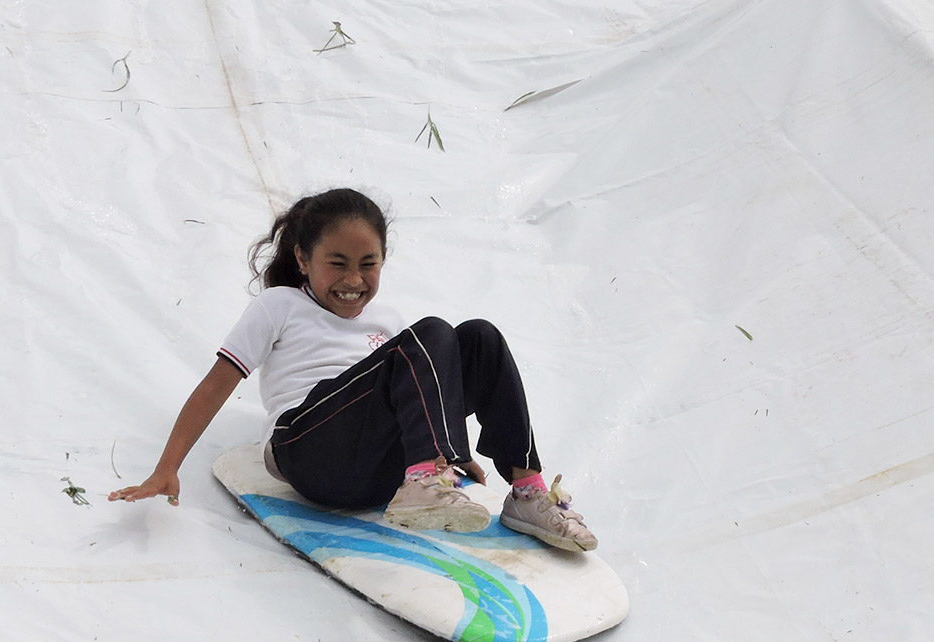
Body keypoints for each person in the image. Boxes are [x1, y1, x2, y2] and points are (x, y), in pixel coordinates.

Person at [109, 188, 596, 551]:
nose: (353, 279)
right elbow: (216, 385)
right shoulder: (279, 305)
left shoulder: (388, 322)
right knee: (432, 336)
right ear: (302, 258)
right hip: (309, 451)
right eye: (336, 262)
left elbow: (415, 395)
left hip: (374, 472)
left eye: (368, 264)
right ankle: (426, 479)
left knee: (477, 337)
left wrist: (456, 451)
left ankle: (526, 490)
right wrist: (166, 467)